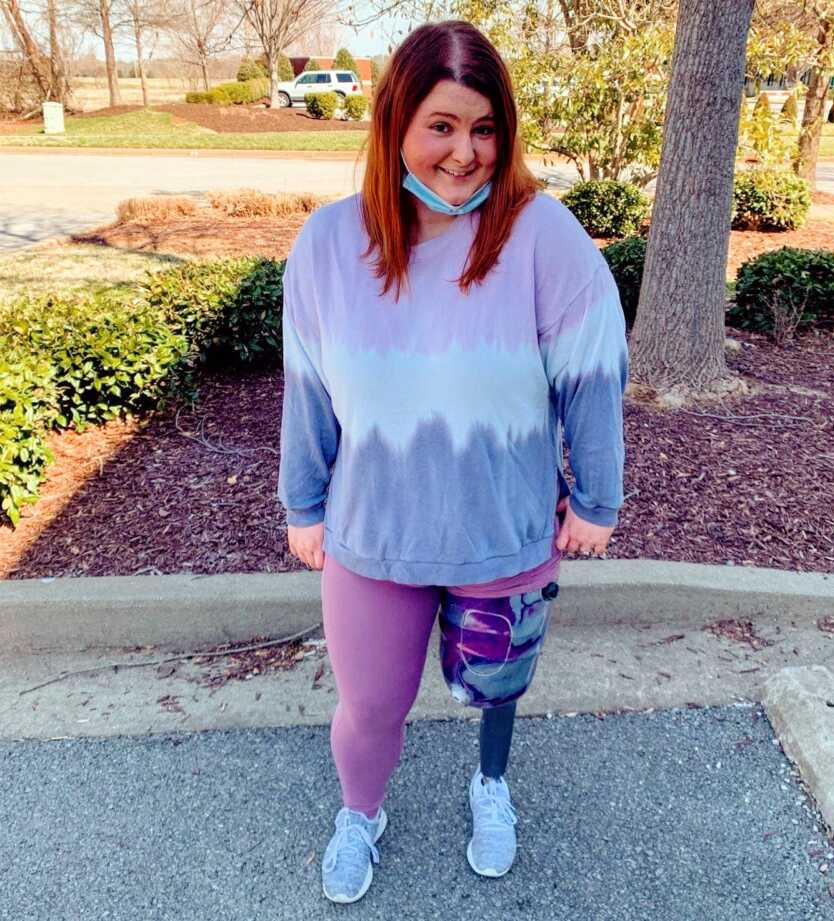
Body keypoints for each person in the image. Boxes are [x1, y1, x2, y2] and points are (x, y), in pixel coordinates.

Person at [277, 19, 629, 904]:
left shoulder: (543, 235)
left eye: (484, 129)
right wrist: (303, 505)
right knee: (369, 707)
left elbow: (593, 372)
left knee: (496, 685)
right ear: (395, 122)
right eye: (441, 125)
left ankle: (491, 785)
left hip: (504, 531)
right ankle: (361, 811)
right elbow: (309, 389)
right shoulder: (328, 245)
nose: (465, 153)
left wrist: (597, 496)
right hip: (372, 534)